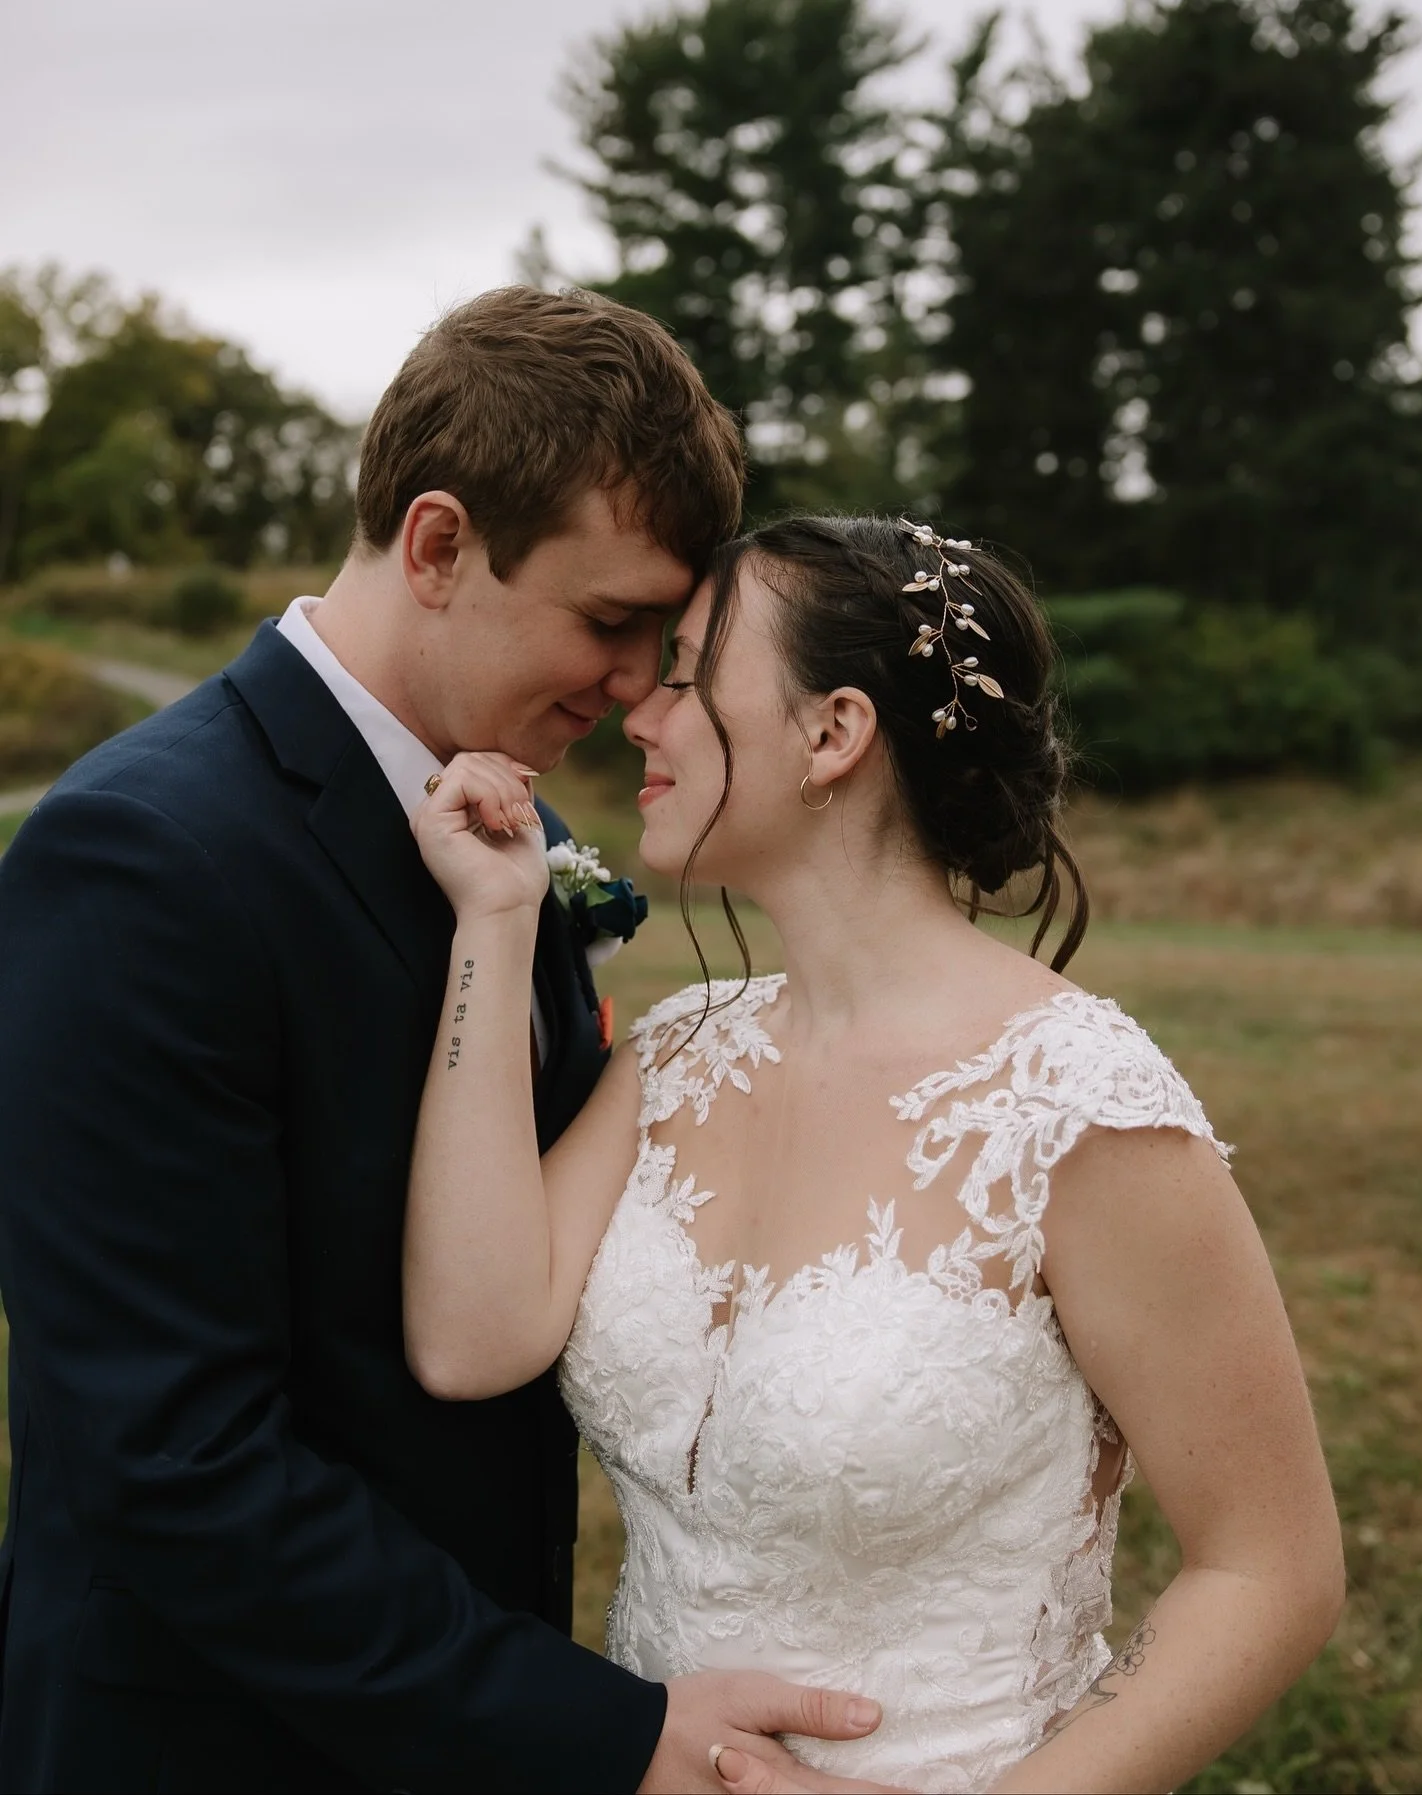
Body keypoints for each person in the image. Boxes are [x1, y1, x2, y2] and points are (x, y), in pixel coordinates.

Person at [0, 290, 888, 1793]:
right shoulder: (139, 855)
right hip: (206, 1737)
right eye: (609, 622)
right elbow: (169, 1453)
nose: (628, 691)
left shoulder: (517, 834)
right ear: (435, 545)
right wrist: (588, 1729)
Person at [406, 514, 1346, 1795]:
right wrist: (497, 920)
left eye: (687, 674)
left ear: (832, 734)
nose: (641, 711)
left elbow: (1270, 1571)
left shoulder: (1080, 1110)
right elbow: (469, 1336)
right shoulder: (678, 1057)